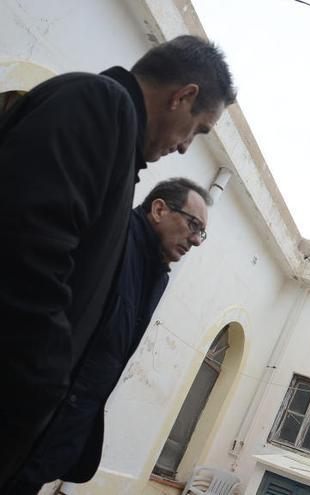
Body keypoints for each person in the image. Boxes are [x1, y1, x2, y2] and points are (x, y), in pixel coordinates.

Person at [0, 36, 235, 490]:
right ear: (183, 96)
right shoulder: (99, 105)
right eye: (198, 129)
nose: (187, 147)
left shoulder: (118, 143)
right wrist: (47, 391)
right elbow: (28, 258)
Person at [6, 178, 212, 493]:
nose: (196, 240)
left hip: (52, 444)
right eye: (193, 224)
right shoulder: (111, 236)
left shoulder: (155, 275)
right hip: (21, 427)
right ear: (158, 209)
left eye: (202, 232)